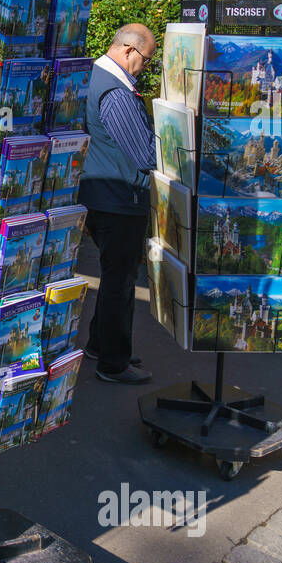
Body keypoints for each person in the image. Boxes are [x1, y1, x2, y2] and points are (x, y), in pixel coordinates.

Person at [78, 23, 158, 385]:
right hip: (119, 200)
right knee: (120, 282)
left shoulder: (94, 76)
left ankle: (101, 344)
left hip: (103, 194)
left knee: (114, 276)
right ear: (128, 51)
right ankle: (113, 362)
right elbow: (143, 154)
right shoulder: (116, 92)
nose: (145, 67)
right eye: (146, 60)